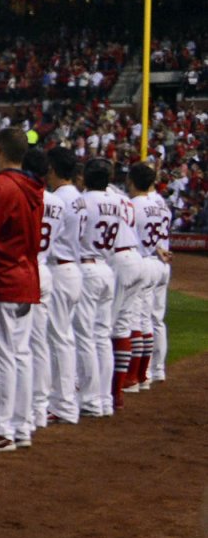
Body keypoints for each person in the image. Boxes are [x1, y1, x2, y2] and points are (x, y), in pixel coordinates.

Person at [0, 130, 46, 450]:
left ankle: (0, 427)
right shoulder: (34, 186)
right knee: (19, 355)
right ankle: (20, 423)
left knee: (1, 358)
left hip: (2, 278)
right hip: (27, 276)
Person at [39, 149, 87, 427]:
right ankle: (67, 397)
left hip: (59, 268)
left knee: (57, 339)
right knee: (65, 337)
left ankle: (63, 402)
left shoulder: (58, 199)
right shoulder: (78, 198)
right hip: (73, 268)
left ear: (54, 169)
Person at [77, 159, 120, 417]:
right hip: (106, 268)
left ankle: (90, 400)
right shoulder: (117, 201)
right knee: (102, 337)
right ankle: (105, 399)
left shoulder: (84, 201)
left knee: (85, 337)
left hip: (87, 268)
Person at [108, 164, 152, 405]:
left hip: (120, 261)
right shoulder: (123, 199)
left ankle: (109, 390)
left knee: (107, 327)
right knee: (125, 324)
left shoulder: (100, 197)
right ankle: (121, 389)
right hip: (138, 258)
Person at [129, 159, 173, 388]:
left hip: (145, 261)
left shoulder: (137, 203)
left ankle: (143, 373)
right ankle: (156, 370)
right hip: (161, 260)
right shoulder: (162, 204)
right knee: (156, 319)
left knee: (140, 319)